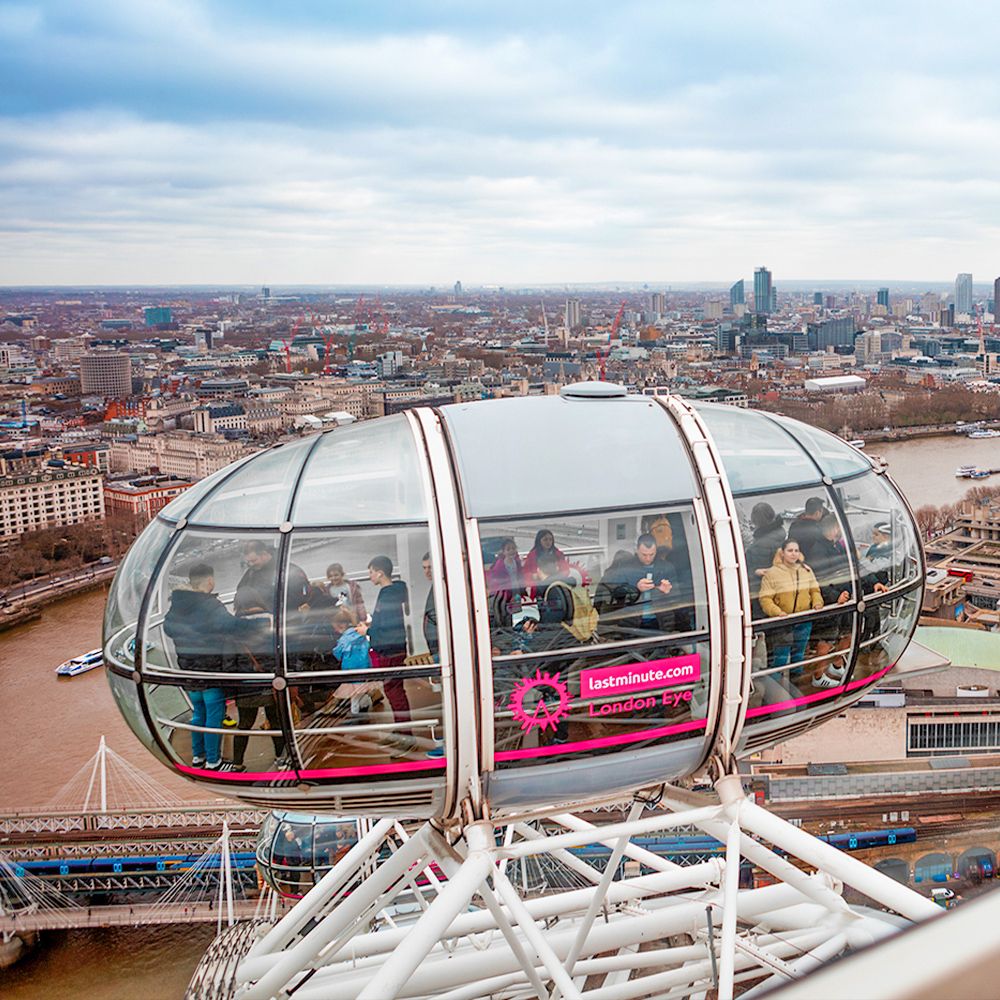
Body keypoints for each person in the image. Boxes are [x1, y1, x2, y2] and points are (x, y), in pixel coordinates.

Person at [162, 562, 267, 771]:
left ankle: (198, 757)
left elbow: (168, 628)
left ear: (190, 582)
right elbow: (230, 625)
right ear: (211, 581)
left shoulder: (178, 603)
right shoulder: (210, 605)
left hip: (188, 668)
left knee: (199, 713)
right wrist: (262, 623)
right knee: (214, 715)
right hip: (210, 669)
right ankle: (213, 761)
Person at [356, 555, 410, 723]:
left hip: (389, 652)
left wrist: (367, 631)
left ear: (380, 573)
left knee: (393, 691)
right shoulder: (394, 592)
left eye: (371, 572)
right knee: (395, 690)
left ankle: (405, 732)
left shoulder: (386, 596)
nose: (370, 576)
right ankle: (402, 728)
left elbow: (387, 627)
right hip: (396, 649)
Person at [758, 540, 823, 671]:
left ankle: (796, 685)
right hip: (783, 623)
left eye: (796, 551)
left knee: (798, 658)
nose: (794, 554)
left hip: (804, 620)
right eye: (790, 551)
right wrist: (777, 612)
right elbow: (765, 598)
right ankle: (774, 689)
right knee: (780, 659)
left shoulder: (806, 570)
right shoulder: (772, 573)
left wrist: (817, 603)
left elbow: (814, 591)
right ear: (782, 553)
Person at [596, 534, 678, 633]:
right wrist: (636, 588)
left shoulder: (667, 568)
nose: (648, 558)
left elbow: (678, 598)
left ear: (656, 551)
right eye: (644, 555)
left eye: (651, 554)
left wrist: (668, 592)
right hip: (632, 622)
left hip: (661, 622)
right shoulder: (626, 567)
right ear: (637, 550)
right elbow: (617, 594)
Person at [808, 515, 853, 687]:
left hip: (842, 600)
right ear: (834, 529)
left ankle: (837, 665)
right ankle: (818, 677)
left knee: (846, 634)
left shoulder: (833, 546)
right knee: (825, 641)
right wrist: (835, 597)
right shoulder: (819, 551)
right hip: (830, 603)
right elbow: (818, 582)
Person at [521, 529, 570, 596]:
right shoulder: (533, 555)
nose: (548, 542)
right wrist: (532, 576)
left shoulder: (558, 554)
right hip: (539, 586)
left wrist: (558, 574)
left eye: (550, 539)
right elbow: (524, 572)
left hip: (556, 585)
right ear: (539, 541)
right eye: (545, 539)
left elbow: (566, 570)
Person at [487, 538, 527, 615]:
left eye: (513, 548)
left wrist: (522, 590)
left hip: (516, 589)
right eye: (508, 549)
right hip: (506, 593)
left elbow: (520, 576)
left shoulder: (517, 561)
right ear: (504, 552)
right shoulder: (499, 566)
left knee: (516, 611)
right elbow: (499, 584)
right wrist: (509, 595)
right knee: (507, 611)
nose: (511, 551)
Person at [787, 496, 828, 563]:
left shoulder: (794, 525)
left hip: (795, 562)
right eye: (821, 512)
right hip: (810, 564)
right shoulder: (817, 530)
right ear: (817, 513)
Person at [421, 552, 439, 658]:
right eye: (424, 568)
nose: (427, 571)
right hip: (435, 648)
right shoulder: (435, 587)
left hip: (440, 648)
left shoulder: (441, 588)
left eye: (430, 567)